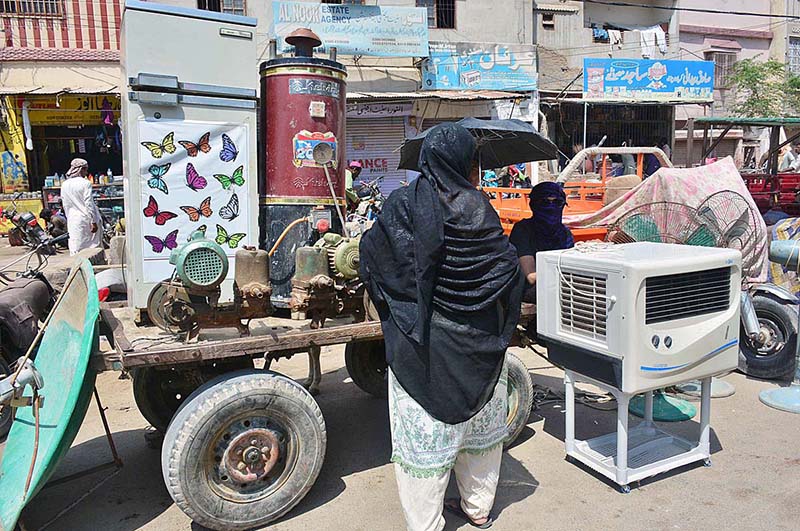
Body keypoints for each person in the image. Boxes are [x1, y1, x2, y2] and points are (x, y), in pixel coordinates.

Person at [360, 123, 523, 531]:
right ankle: (479, 508)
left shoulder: (403, 203)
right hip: (479, 345)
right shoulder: (480, 206)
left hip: (425, 347)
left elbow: (377, 262)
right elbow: (506, 268)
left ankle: (426, 523)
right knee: (479, 434)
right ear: (465, 162)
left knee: (426, 439)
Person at [509, 182, 575, 302]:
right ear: (533, 205)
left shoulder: (564, 233)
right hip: (530, 290)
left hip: (560, 284)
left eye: (557, 203)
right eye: (544, 203)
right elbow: (531, 276)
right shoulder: (523, 230)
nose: (551, 208)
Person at [61, 158, 102, 255]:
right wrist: (94, 221)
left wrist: (69, 217)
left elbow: (65, 204)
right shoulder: (85, 183)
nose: (86, 172)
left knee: (76, 247)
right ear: (81, 169)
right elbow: (89, 203)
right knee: (92, 247)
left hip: (73, 220)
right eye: (85, 169)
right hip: (86, 219)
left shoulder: (65, 184)